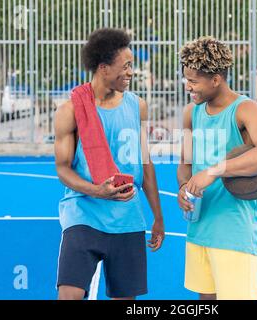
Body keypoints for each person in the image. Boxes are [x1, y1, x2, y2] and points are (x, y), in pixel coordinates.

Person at [54, 28, 165, 300]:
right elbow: (63, 168)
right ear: (103, 68)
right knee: (69, 294)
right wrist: (96, 191)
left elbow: (145, 164)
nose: (130, 72)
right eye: (125, 66)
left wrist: (158, 216)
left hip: (127, 218)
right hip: (84, 213)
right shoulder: (70, 111)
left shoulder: (137, 106)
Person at [176, 36, 257, 300]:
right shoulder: (192, 112)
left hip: (234, 227)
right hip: (201, 224)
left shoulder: (245, 109)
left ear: (216, 79)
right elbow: (186, 163)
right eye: (186, 79)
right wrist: (183, 188)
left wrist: (213, 171)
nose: (188, 86)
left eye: (193, 81)